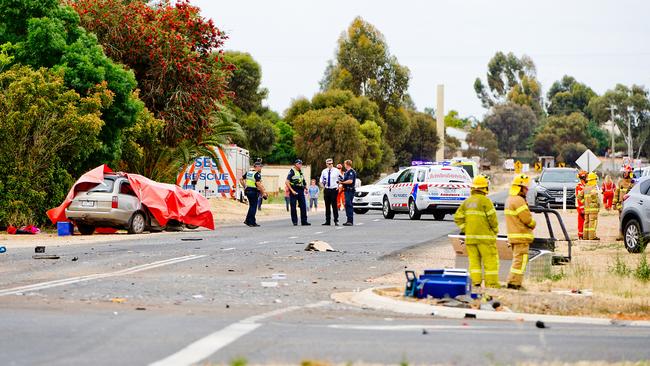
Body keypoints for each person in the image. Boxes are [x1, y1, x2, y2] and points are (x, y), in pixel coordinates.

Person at [454, 175, 500, 288]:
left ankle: (475, 283)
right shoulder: (486, 201)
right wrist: (495, 231)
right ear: (485, 188)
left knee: (474, 262)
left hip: (471, 238)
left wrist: (466, 228)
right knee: (490, 262)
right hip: (485, 239)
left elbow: (458, 217)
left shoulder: (467, 202)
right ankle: (492, 285)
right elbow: (492, 219)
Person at [505, 174, 536, 290]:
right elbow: (527, 219)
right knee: (520, 261)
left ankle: (513, 281)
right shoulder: (518, 200)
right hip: (521, 236)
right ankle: (514, 283)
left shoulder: (510, 199)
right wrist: (533, 224)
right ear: (520, 187)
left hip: (514, 236)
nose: (527, 190)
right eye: (525, 188)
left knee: (517, 260)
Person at [240, 161, 267, 227]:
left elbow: (241, 179)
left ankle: (247, 220)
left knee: (251, 206)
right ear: (257, 167)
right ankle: (252, 222)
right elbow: (258, 184)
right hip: (253, 191)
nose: (261, 168)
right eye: (260, 167)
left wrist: (245, 187)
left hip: (248, 190)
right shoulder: (257, 174)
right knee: (253, 207)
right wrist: (263, 193)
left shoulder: (248, 172)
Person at [286, 159, 310, 226]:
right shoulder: (292, 171)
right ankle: (295, 221)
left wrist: (305, 187)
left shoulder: (300, 171)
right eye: (299, 164)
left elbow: (302, 180)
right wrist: (292, 190)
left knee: (303, 206)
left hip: (300, 190)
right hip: (294, 189)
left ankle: (304, 221)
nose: (300, 165)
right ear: (296, 164)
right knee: (293, 206)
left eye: (301, 164)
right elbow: (287, 182)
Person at [319, 158, 342, 226]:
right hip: (327, 189)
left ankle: (336, 220)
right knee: (327, 205)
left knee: (334, 205)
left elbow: (342, 178)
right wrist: (322, 186)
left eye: (331, 164)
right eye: (329, 164)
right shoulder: (324, 171)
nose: (330, 165)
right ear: (326, 164)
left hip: (334, 189)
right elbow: (321, 180)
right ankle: (327, 221)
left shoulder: (336, 171)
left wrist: (339, 185)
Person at [613, 166, 634, 240]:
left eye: (626, 172)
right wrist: (614, 203)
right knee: (621, 219)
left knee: (629, 220)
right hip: (621, 205)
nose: (624, 174)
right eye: (624, 172)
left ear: (630, 173)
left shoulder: (633, 183)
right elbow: (616, 193)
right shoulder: (620, 182)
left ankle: (627, 235)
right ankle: (621, 235)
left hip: (630, 205)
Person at [578, 172, 601, 240]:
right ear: (594, 180)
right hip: (593, 209)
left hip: (587, 209)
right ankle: (592, 237)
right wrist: (597, 204)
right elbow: (596, 198)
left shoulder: (585, 187)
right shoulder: (594, 188)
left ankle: (585, 237)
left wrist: (584, 202)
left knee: (586, 222)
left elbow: (579, 196)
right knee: (592, 223)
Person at [340, 160, 357, 226]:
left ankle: (350, 220)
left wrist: (342, 182)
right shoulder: (347, 172)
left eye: (345, 164)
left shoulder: (351, 172)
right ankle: (348, 220)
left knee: (349, 205)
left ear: (347, 164)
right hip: (346, 190)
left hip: (350, 190)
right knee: (347, 205)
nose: (344, 165)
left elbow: (350, 181)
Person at [575, 171, 587, 240]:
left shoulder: (585, 185)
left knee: (585, 220)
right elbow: (579, 198)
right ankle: (581, 234)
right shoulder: (579, 186)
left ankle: (584, 234)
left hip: (584, 205)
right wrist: (582, 208)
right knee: (581, 220)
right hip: (580, 206)